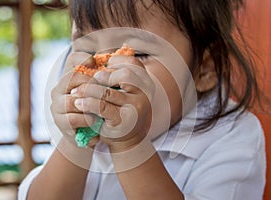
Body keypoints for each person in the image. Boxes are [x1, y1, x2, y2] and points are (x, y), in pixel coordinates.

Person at [18, 0, 266, 199]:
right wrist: (74, 143)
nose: (105, 72)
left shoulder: (231, 134)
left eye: (137, 53)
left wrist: (131, 145)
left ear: (205, 68)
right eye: (88, 50)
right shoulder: (89, 127)